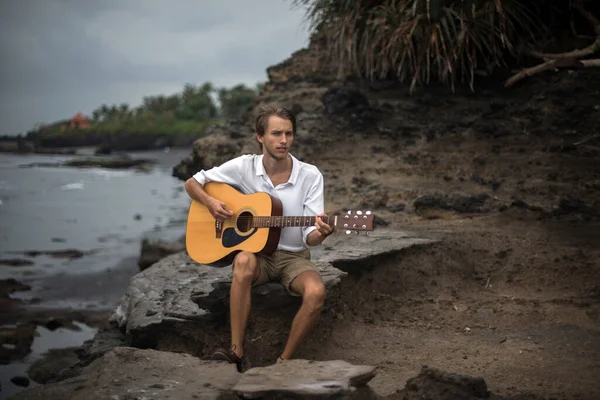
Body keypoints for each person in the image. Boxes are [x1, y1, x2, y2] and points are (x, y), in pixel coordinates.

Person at [183, 105, 334, 372]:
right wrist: (209, 202)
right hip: (258, 256)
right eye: (276, 133)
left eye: (289, 134)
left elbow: (309, 237)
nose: (283, 140)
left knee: (316, 292)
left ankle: (283, 363)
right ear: (260, 137)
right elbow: (192, 182)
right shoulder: (244, 166)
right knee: (242, 260)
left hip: (293, 258)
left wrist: (320, 234)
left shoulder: (310, 175)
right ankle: (236, 351)